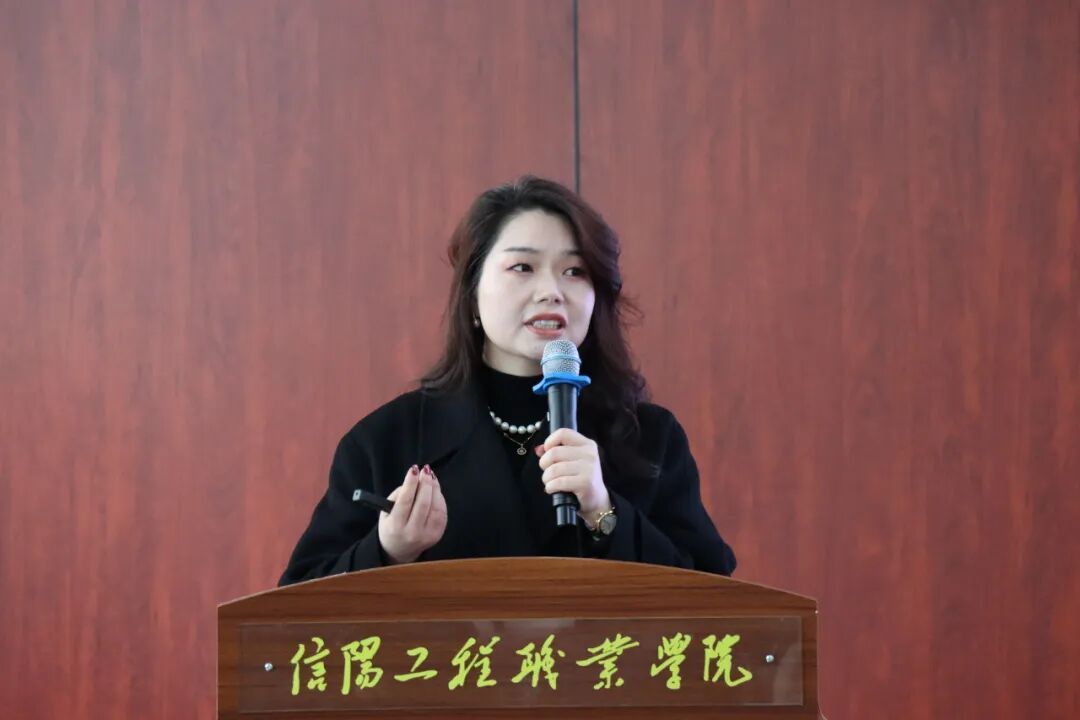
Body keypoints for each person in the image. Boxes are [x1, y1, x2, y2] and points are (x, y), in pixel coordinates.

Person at [279, 176, 736, 585]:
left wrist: (604, 511)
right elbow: (298, 610)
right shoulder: (386, 440)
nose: (552, 291)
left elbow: (718, 609)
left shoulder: (649, 438)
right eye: (523, 267)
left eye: (575, 271)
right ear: (472, 294)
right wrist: (389, 551)